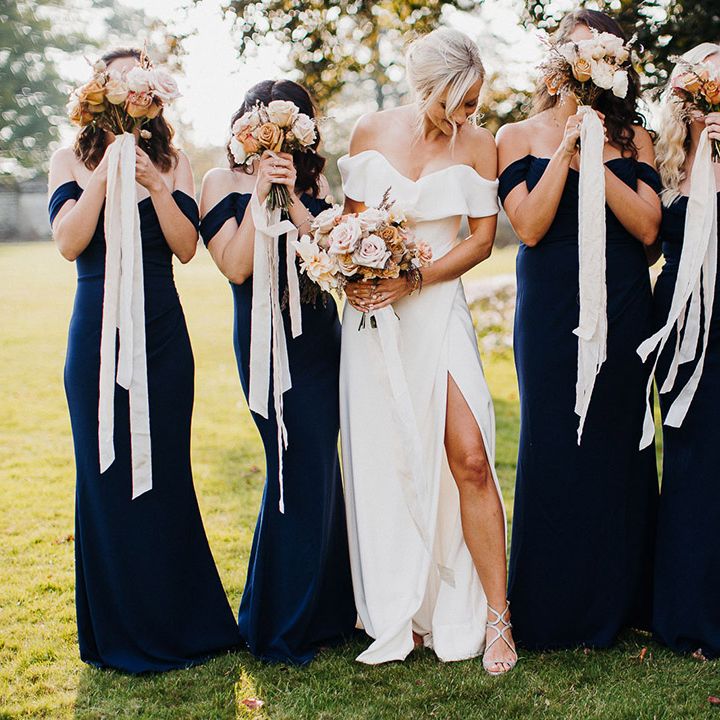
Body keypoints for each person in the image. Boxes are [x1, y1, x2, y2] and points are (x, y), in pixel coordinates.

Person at [48, 47, 240, 673]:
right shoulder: (68, 160)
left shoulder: (176, 162)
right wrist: (105, 174)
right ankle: (118, 629)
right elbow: (70, 242)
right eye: (125, 81)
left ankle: (181, 622)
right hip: (96, 329)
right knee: (103, 472)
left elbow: (186, 248)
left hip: (161, 329)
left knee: (166, 470)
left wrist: (155, 182)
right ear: (102, 90)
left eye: (145, 82)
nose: (137, 92)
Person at [338, 27, 516, 674]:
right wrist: (354, 272)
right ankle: (405, 609)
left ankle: (495, 617)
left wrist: (413, 278)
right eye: (458, 101)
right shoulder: (370, 132)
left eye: (475, 102)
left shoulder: (480, 144)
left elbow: (480, 241)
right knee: (389, 461)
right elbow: (351, 227)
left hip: (438, 310)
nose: (467, 114)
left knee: (470, 458)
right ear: (429, 89)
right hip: (376, 321)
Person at [496, 9, 661, 650]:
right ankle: (550, 605)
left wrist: (598, 154)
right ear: (556, 62)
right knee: (555, 441)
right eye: (576, 51)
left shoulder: (636, 139)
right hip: (551, 306)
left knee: (619, 441)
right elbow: (529, 226)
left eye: (600, 54)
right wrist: (566, 148)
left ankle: (623, 600)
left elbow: (648, 231)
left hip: (623, 301)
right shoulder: (516, 136)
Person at [199, 80, 356, 665]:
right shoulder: (220, 182)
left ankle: (327, 611)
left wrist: (290, 198)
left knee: (317, 468)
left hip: (318, 340)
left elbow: (333, 260)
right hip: (263, 341)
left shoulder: (314, 184)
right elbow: (236, 267)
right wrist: (260, 192)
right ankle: (275, 623)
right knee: (291, 466)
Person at [651, 43, 720, 658]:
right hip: (678, 317)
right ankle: (687, 614)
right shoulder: (664, 157)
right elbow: (650, 240)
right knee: (691, 459)